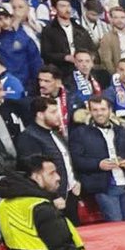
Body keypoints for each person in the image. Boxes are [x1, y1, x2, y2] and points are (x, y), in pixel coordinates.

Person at [69, 94, 125, 221]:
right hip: (104, 188)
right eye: (95, 110)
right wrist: (98, 164)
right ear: (89, 111)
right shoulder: (80, 133)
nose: (99, 113)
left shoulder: (122, 130)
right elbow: (77, 160)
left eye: (102, 109)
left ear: (110, 110)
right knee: (116, 228)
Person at [15, 96, 81, 224]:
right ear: (40, 114)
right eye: (53, 112)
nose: (58, 116)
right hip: (52, 201)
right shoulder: (28, 137)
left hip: (69, 194)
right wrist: (52, 196)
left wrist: (75, 180)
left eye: (57, 111)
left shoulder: (55, 133)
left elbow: (66, 159)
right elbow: (34, 172)